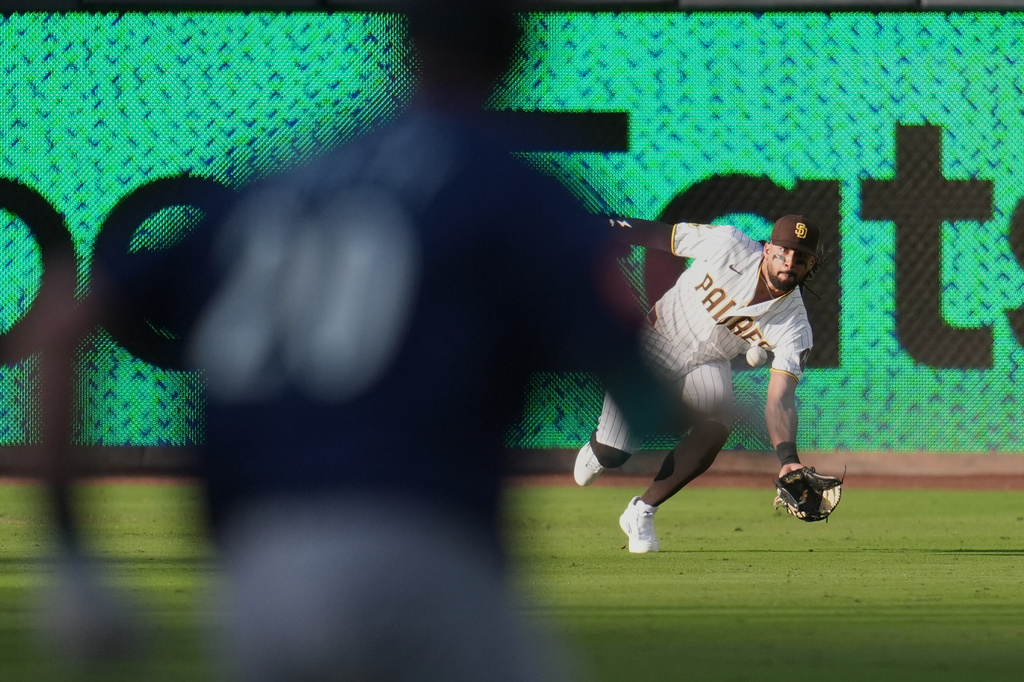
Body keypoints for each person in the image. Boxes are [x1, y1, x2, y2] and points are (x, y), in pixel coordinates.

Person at [18, 1, 686, 680]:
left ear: (405, 48)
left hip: (255, 574)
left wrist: (71, 553)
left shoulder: (281, 175)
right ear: (517, 56)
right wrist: (709, 414)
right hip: (415, 546)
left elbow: (62, 335)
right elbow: (636, 383)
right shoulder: (508, 186)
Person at [573, 215, 822, 553]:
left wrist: (788, 458)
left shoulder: (795, 326)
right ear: (767, 250)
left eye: (801, 257)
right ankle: (599, 449)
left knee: (716, 428)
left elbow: (780, 400)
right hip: (656, 341)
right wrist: (597, 226)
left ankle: (641, 511)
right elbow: (661, 236)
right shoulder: (729, 244)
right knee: (613, 453)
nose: (789, 262)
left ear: (812, 264)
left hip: (709, 361)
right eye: (783, 251)